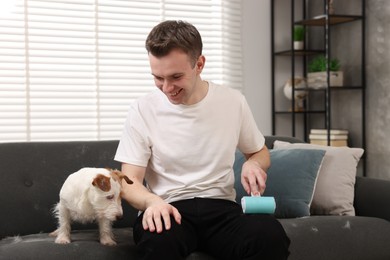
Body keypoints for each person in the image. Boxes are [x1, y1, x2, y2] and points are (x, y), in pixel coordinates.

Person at [115, 20, 290, 260]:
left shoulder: (232, 101)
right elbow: (128, 181)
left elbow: (258, 152)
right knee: (159, 242)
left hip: (222, 209)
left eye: (176, 76)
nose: (166, 88)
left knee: (268, 235)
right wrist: (151, 202)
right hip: (168, 208)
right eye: (157, 77)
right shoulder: (142, 109)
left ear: (199, 64)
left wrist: (254, 163)